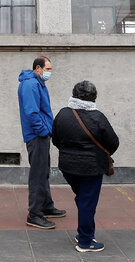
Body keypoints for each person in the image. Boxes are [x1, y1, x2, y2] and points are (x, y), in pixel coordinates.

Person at [52, 81, 119, 253]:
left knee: (83, 199)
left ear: (73, 94)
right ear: (94, 97)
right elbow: (113, 143)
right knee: (87, 203)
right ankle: (85, 241)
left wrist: (68, 152)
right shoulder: (97, 117)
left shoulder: (63, 114)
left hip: (67, 167)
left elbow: (55, 139)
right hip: (91, 168)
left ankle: (83, 233)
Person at [18, 56, 66, 229]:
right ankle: (35, 214)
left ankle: (46, 205)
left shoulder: (37, 83)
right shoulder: (31, 84)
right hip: (37, 135)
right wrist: (44, 130)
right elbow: (32, 113)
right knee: (38, 174)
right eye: (48, 69)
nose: (49, 72)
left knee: (43, 171)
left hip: (41, 135)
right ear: (38, 68)